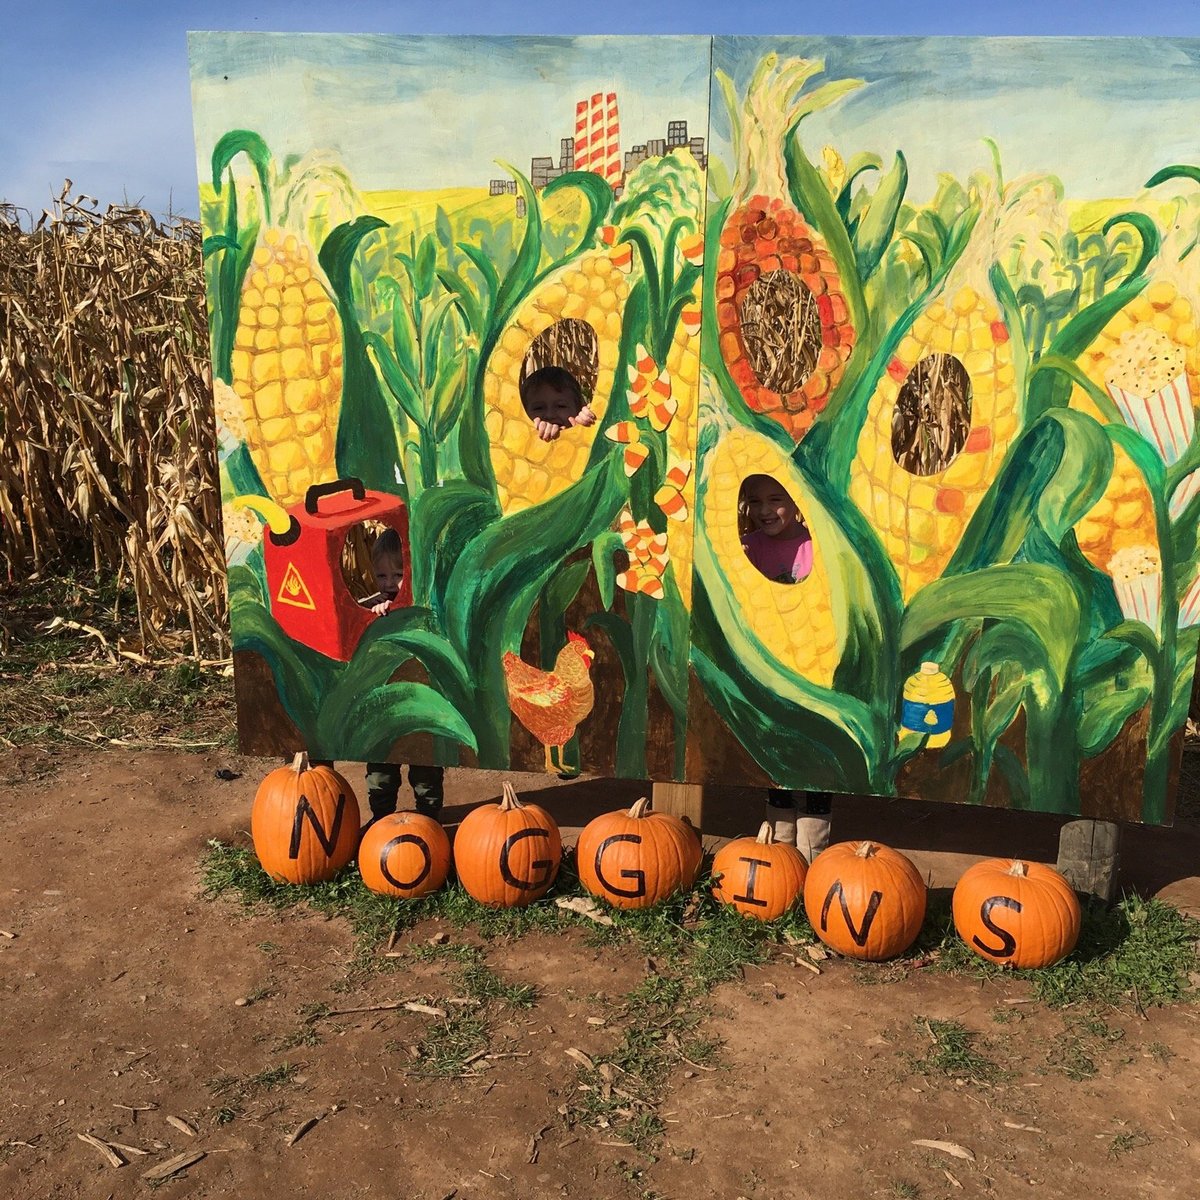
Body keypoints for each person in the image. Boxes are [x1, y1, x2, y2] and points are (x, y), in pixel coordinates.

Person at [311, 529, 445, 825]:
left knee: (426, 766)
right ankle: (382, 815)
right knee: (381, 765)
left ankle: (430, 816)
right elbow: (357, 616)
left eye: (398, 575)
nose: (389, 584)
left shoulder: (421, 597)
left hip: (418, 702)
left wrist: (395, 609)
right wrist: (374, 611)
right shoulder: (375, 601)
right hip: (382, 705)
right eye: (381, 576)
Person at [738, 473, 830, 861]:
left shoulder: (818, 547)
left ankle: (813, 854)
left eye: (776, 500)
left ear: (797, 503)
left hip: (813, 664)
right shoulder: (747, 547)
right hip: (769, 666)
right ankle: (780, 851)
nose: (764, 510)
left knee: (817, 757)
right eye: (754, 501)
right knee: (776, 757)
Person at [519, 365, 596, 441]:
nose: (550, 415)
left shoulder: (588, 439)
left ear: (578, 409)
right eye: (538, 408)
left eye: (560, 406)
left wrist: (590, 426)